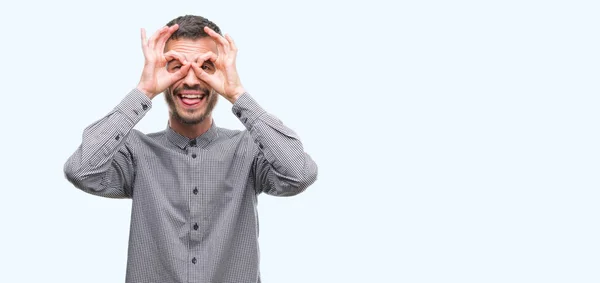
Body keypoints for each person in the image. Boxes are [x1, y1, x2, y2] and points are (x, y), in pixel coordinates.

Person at [64, 15, 318, 283]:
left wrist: (237, 93)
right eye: (176, 67)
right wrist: (144, 90)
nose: (191, 81)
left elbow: (299, 174)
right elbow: (81, 171)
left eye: (206, 67)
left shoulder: (250, 149)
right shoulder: (135, 152)